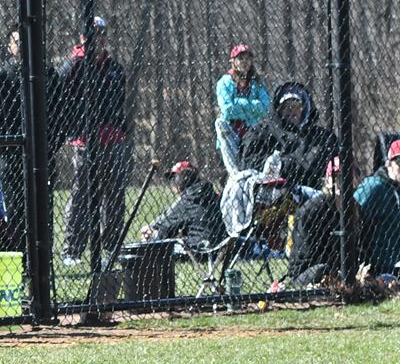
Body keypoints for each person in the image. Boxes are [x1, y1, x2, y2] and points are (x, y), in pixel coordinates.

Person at [55, 18, 129, 267]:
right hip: (85, 141)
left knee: (114, 195)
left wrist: (120, 126)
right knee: (82, 195)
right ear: (83, 38)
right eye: (93, 34)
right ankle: (72, 249)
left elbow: (121, 102)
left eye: (102, 33)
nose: (99, 38)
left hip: (112, 139)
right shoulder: (73, 66)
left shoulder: (114, 68)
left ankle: (111, 246)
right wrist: (71, 126)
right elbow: (60, 99)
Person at [239, 84, 339, 191]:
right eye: (285, 106)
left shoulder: (321, 136)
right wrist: (284, 166)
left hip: (317, 189)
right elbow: (250, 161)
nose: (291, 110)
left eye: (296, 106)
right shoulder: (262, 131)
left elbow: (337, 159)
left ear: (304, 109)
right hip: (276, 189)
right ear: (278, 109)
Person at [287, 157, 361, 286]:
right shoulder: (313, 210)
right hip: (308, 272)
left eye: (346, 176)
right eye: (336, 176)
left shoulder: (355, 207)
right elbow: (309, 256)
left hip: (339, 269)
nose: (340, 180)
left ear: (356, 180)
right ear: (327, 181)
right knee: (323, 270)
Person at [0, 27, 29, 234]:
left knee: (42, 210)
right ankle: (18, 250)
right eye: (17, 42)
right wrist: (1, 148)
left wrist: (49, 147)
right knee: (14, 210)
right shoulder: (1, 78)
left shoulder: (46, 74)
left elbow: (59, 115)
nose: (22, 46)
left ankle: (43, 253)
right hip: (10, 156)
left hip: (40, 155)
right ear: (10, 47)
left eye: (25, 41)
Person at [139, 160, 226, 257]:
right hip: (222, 246)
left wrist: (153, 231)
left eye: (176, 177)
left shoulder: (189, 199)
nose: (172, 182)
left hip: (199, 249)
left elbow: (166, 227)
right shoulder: (211, 194)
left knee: (159, 243)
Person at [215, 44, 270, 174]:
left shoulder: (257, 83)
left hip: (252, 132)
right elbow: (227, 110)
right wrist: (253, 105)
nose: (245, 62)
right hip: (231, 133)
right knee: (220, 123)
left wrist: (238, 103)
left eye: (248, 58)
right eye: (240, 58)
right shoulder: (225, 82)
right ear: (233, 61)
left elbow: (265, 108)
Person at [352, 140, 400, 275]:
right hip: (379, 267)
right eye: (399, 162)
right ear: (388, 163)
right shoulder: (373, 187)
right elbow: (353, 222)